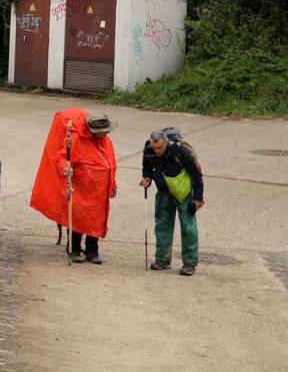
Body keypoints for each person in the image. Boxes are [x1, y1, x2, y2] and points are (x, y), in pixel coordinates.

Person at [29, 109, 118, 263]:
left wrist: (112, 184)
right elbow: (62, 158)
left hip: (99, 190)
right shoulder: (76, 140)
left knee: (96, 220)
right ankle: (74, 249)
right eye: (104, 131)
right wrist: (66, 168)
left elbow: (111, 164)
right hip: (82, 187)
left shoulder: (106, 142)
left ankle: (92, 251)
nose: (106, 133)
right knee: (77, 217)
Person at [140, 128, 204, 275]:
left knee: (188, 228)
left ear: (166, 143)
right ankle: (162, 259)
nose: (157, 151)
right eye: (154, 147)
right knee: (162, 226)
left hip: (184, 193)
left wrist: (198, 198)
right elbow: (147, 168)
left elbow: (196, 174)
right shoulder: (148, 150)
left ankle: (189, 263)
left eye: (160, 147)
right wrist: (147, 179)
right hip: (164, 192)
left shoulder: (179, 151)